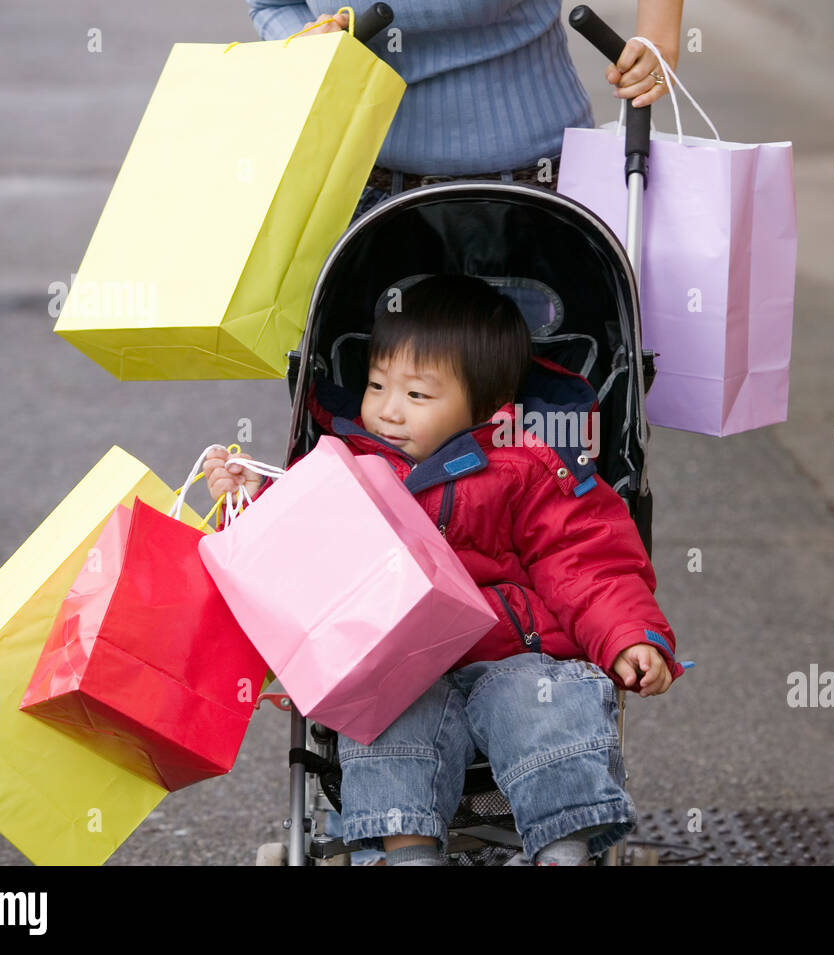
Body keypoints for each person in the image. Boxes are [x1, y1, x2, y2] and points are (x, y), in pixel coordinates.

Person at [203, 274, 685, 864]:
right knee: (388, 719)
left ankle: (562, 849)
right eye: (377, 384)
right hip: (396, 664)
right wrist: (250, 498)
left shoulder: (526, 471)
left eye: (417, 396)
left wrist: (628, 635)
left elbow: (587, 563)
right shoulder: (341, 469)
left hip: (510, 655)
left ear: (483, 407)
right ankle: (406, 854)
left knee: (545, 701)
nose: (387, 410)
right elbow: (296, 557)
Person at [245, 1, 685, 219]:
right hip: (357, 196)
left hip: (536, 191)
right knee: (368, 390)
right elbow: (274, 3)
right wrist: (303, 43)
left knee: (540, 389)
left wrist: (660, 40)